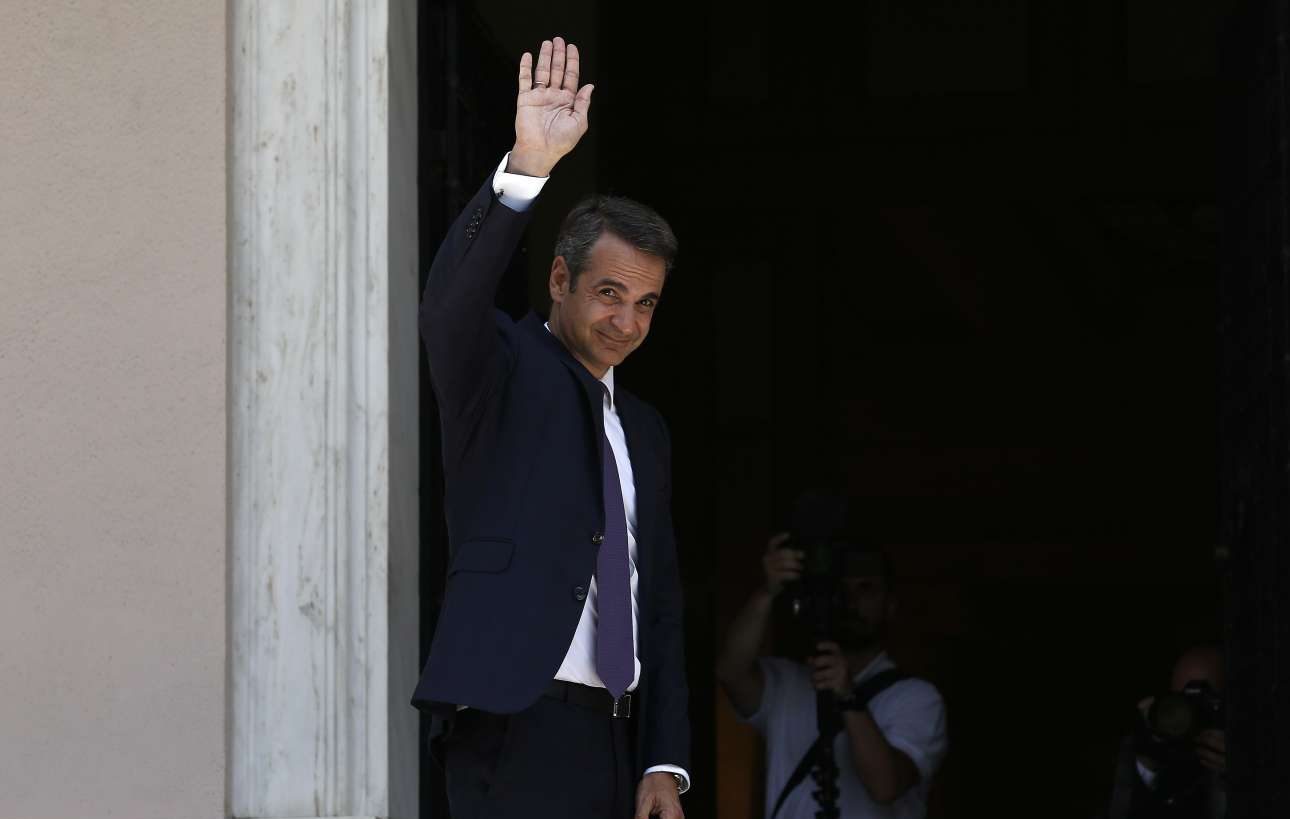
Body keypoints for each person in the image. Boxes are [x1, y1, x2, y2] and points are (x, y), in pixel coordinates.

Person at [409, 36, 690, 819]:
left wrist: (663, 759)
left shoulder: (645, 429)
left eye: (645, 303)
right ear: (560, 278)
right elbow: (448, 307)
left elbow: (659, 602)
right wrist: (527, 167)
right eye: (609, 293)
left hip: (618, 743)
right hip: (514, 727)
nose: (627, 321)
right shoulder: (500, 368)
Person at [716, 533, 947, 818]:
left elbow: (885, 786)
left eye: (866, 588)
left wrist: (848, 697)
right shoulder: (788, 683)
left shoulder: (917, 698)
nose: (851, 601)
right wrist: (767, 592)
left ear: (890, 605)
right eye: (841, 590)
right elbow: (730, 671)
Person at [1104, 644, 1226, 819]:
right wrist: (1145, 760)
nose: (1191, 714)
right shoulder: (1159, 756)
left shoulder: (1252, 754)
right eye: (1183, 701)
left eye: (1204, 701)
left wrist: (1240, 773)